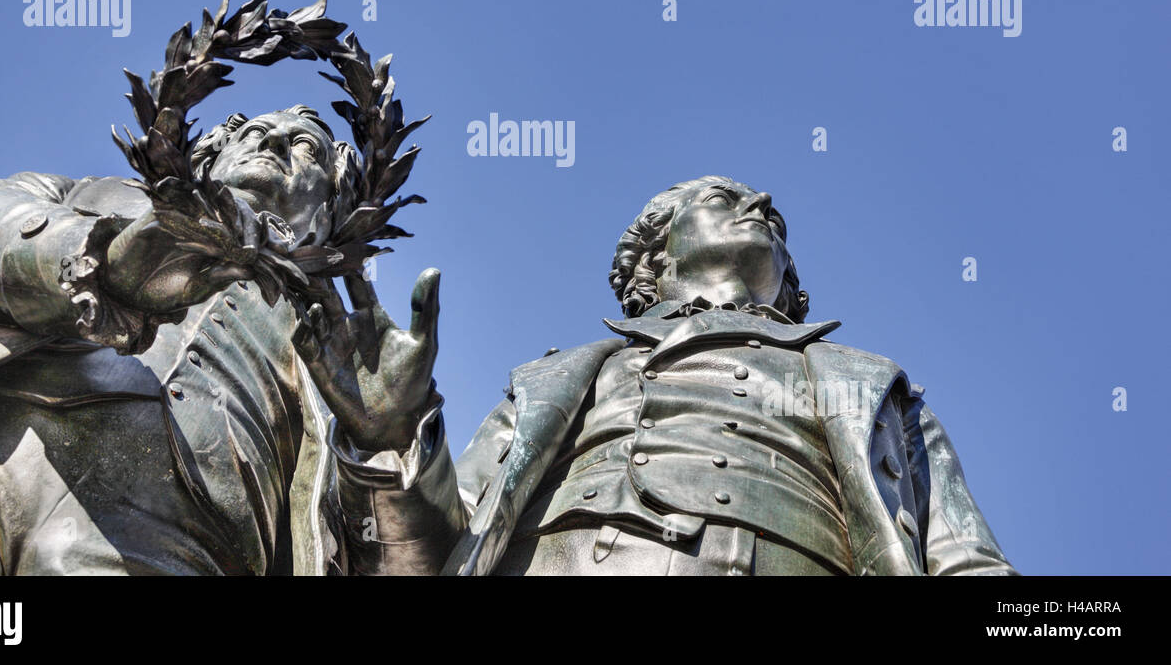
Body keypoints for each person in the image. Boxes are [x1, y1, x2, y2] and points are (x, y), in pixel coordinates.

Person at [300, 176, 1018, 575]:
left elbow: (970, 567)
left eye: (776, 224)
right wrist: (390, 437)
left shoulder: (877, 393)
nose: (762, 204)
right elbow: (424, 556)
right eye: (722, 199)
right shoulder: (555, 383)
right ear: (656, 256)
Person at [0, 106, 347, 575]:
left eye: (307, 148)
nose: (275, 143)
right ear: (215, 151)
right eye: (258, 131)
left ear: (330, 210)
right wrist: (93, 258)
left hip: (183, 543)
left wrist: (388, 453)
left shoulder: (337, 351)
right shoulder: (90, 194)